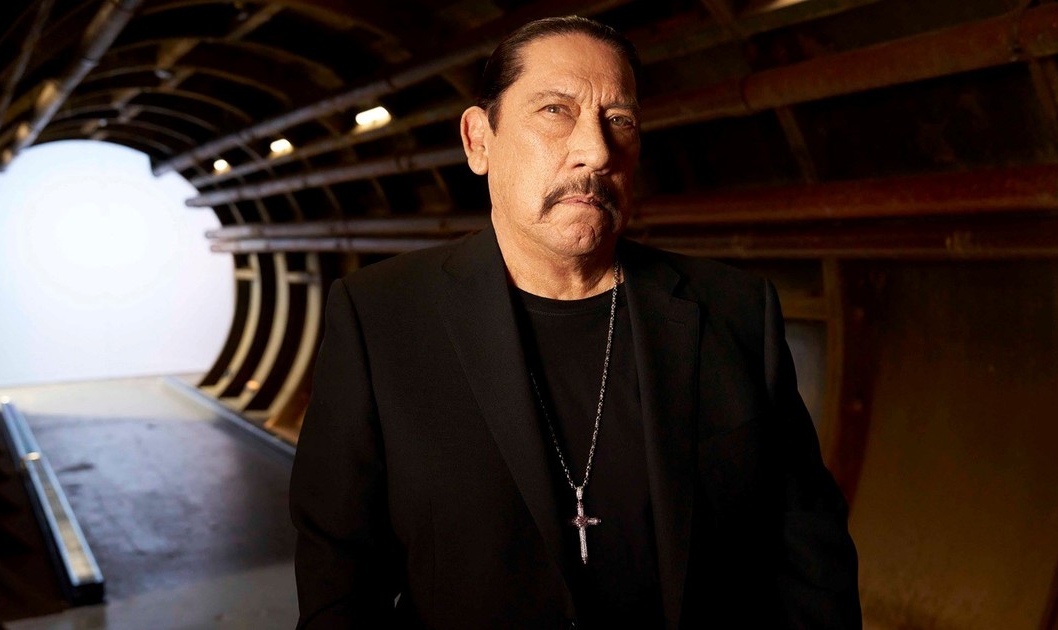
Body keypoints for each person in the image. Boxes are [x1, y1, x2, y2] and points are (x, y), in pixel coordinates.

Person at [290, 16, 860, 629]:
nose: (596, 151)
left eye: (619, 120)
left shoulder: (734, 311)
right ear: (479, 140)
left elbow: (809, 560)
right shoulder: (382, 317)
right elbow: (340, 582)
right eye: (556, 111)